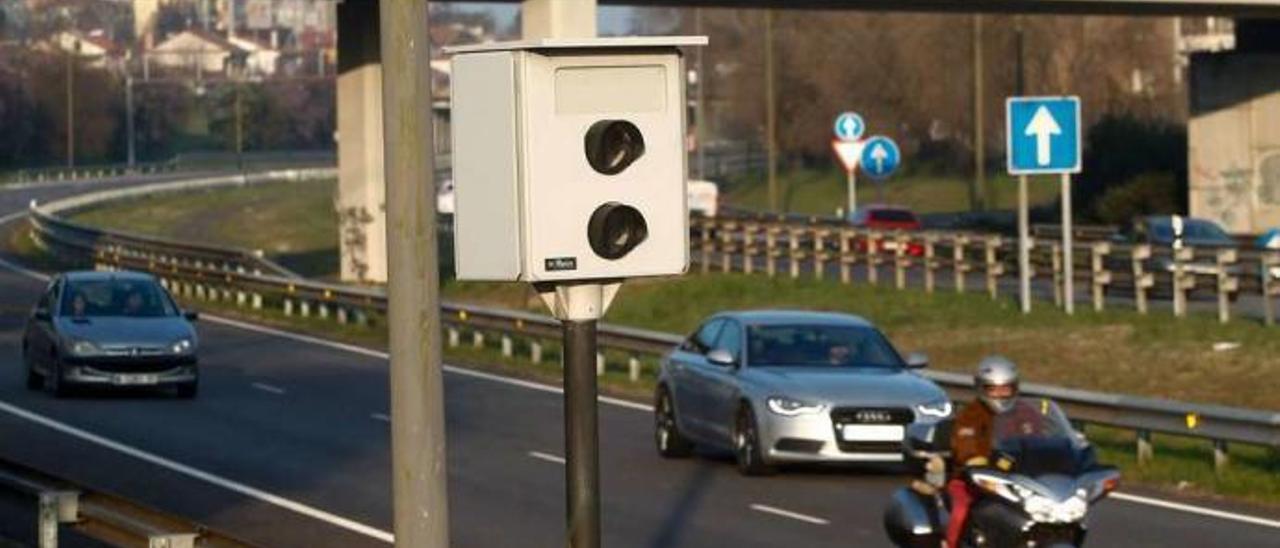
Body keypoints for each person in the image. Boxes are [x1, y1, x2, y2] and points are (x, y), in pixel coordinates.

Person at [946, 355, 1020, 548]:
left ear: (1014, 388)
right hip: (973, 480)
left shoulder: (1025, 414)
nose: (1000, 394)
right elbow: (964, 443)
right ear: (982, 388)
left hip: (1018, 479)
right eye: (993, 389)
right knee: (960, 510)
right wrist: (974, 459)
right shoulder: (970, 415)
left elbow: (1041, 437)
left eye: (1005, 388)